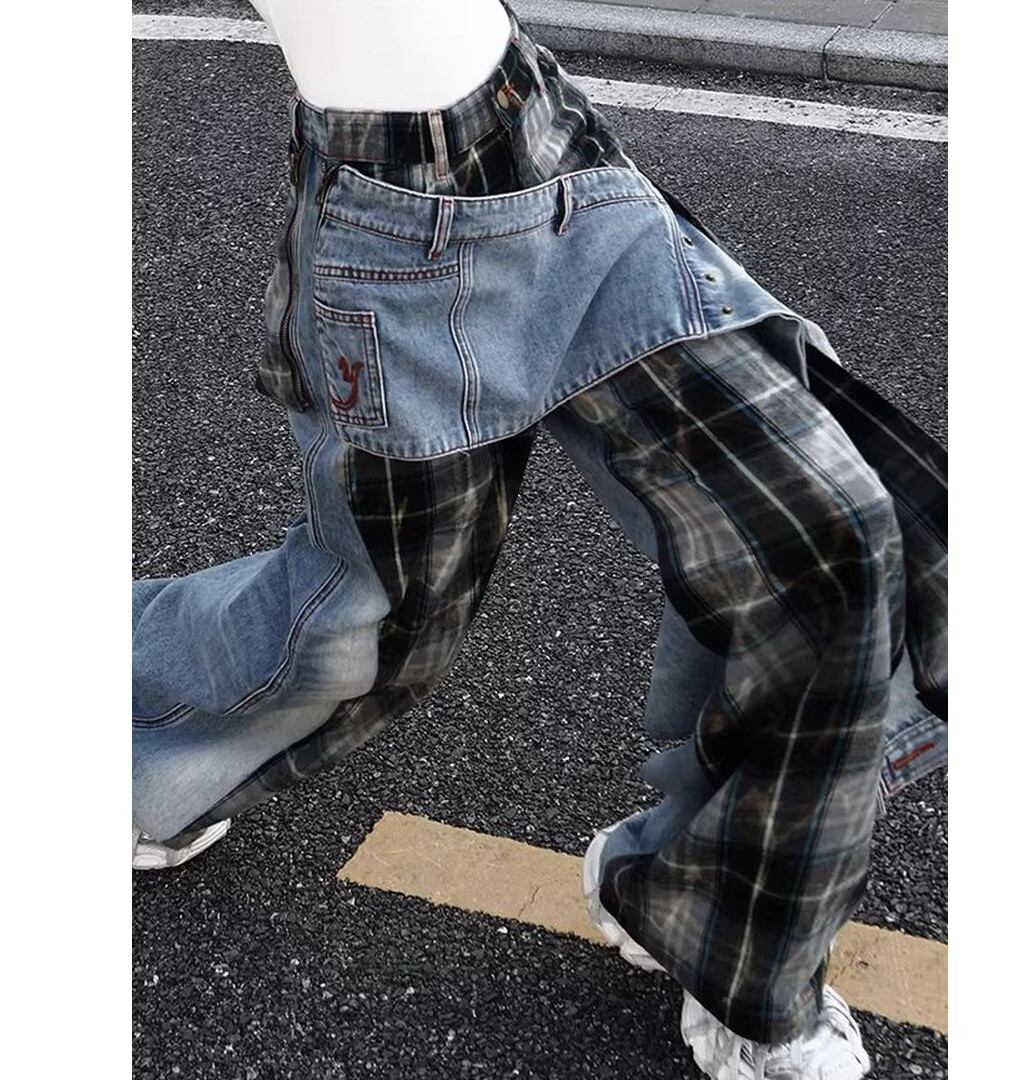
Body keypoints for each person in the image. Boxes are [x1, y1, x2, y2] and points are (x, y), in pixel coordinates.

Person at [132, 2, 947, 1077]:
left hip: (543, 142)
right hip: (396, 221)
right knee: (369, 631)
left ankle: (716, 930)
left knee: (833, 540)